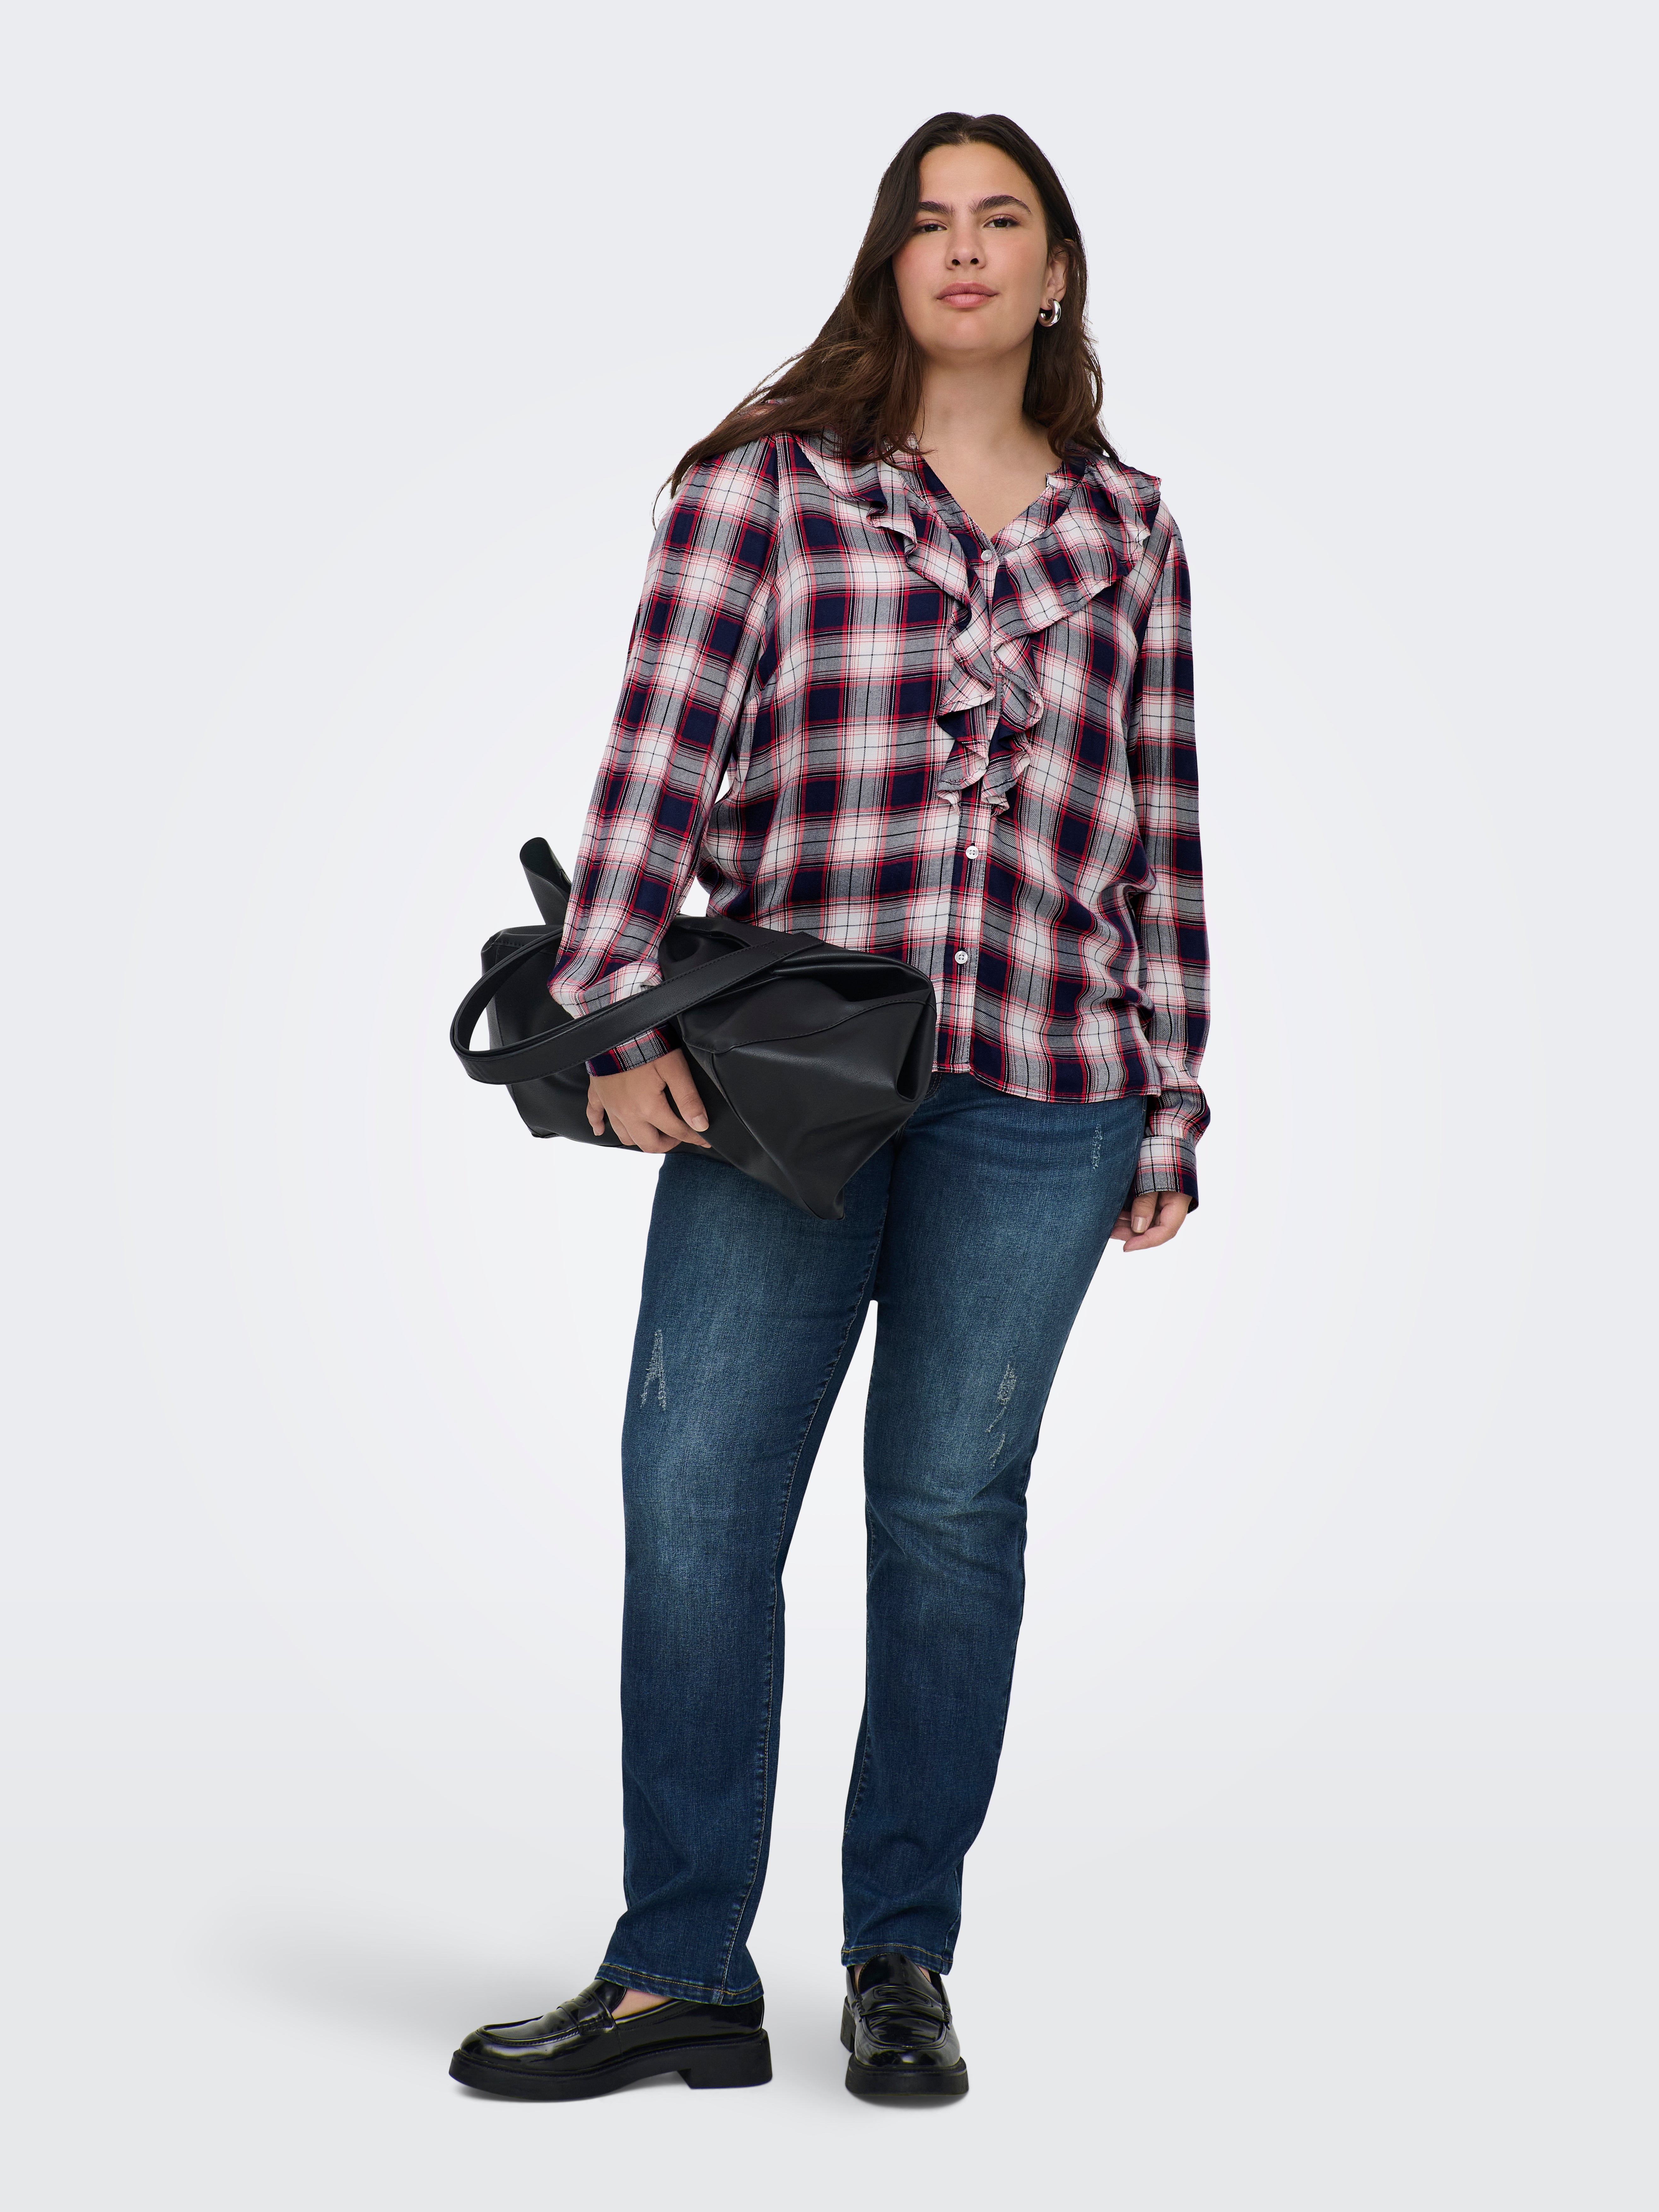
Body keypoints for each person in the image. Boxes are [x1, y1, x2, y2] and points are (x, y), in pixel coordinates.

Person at [450, 109, 1209, 2105]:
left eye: (1002, 220)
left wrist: (1172, 1095)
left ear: (1053, 271)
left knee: (949, 1519)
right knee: (699, 1501)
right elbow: (657, 759)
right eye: (928, 221)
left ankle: (900, 1957)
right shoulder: (766, 488)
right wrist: (611, 1019)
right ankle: (679, 1966)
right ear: (890, 262)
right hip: (782, 1083)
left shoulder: (1131, 529)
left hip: (1048, 1079)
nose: (964, 249)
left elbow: (1161, 823)